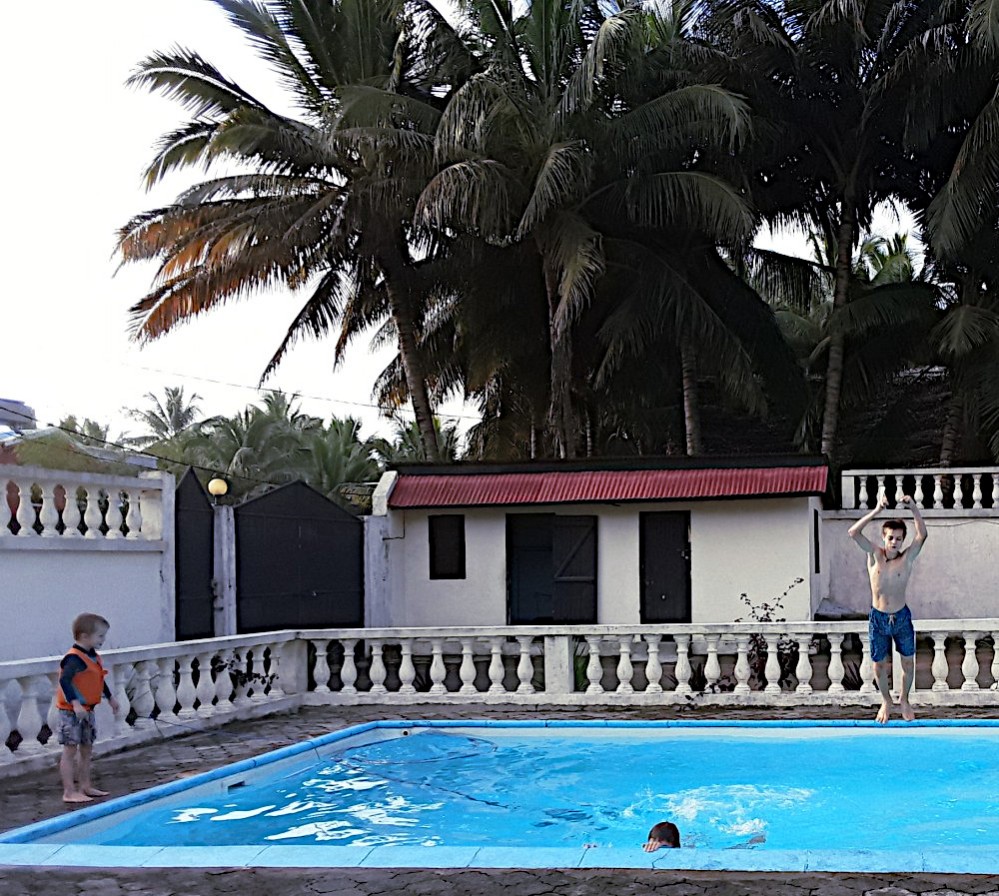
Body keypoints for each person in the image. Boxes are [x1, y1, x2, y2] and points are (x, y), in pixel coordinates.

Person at [848, 493, 927, 724]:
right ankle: (886, 700)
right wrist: (877, 510)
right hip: (878, 618)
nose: (894, 542)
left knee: (908, 662)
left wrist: (913, 507)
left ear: (903, 541)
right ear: (884, 538)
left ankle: (904, 699)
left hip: (901, 617)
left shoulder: (907, 559)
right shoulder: (874, 555)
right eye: (891, 538)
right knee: (879, 665)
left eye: (899, 539)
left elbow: (922, 535)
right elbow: (853, 533)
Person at [55, 612, 119, 803]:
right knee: (69, 750)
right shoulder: (74, 659)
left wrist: (110, 698)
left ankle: (85, 785)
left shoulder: (92, 657)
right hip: (72, 712)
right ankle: (69, 791)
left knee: (86, 749)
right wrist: (75, 703)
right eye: (100, 636)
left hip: (88, 710)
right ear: (84, 636)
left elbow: (98, 678)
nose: (103, 640)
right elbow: (65, 681)